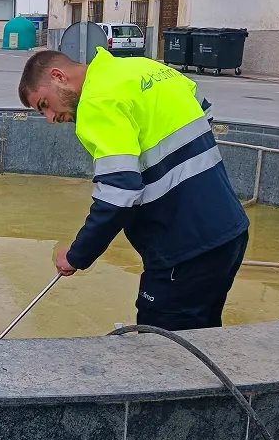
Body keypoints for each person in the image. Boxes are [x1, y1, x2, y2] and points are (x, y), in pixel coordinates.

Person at [18, 47, 249, 331]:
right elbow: (204, 111)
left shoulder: (96, 101)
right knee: (202, 337)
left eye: (45, 104)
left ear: (58, 76)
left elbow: (119, 194)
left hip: (182, 249)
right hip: (229, 232)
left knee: (161, 347)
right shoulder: (144, 68)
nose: (50, 118)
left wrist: (77, 255)